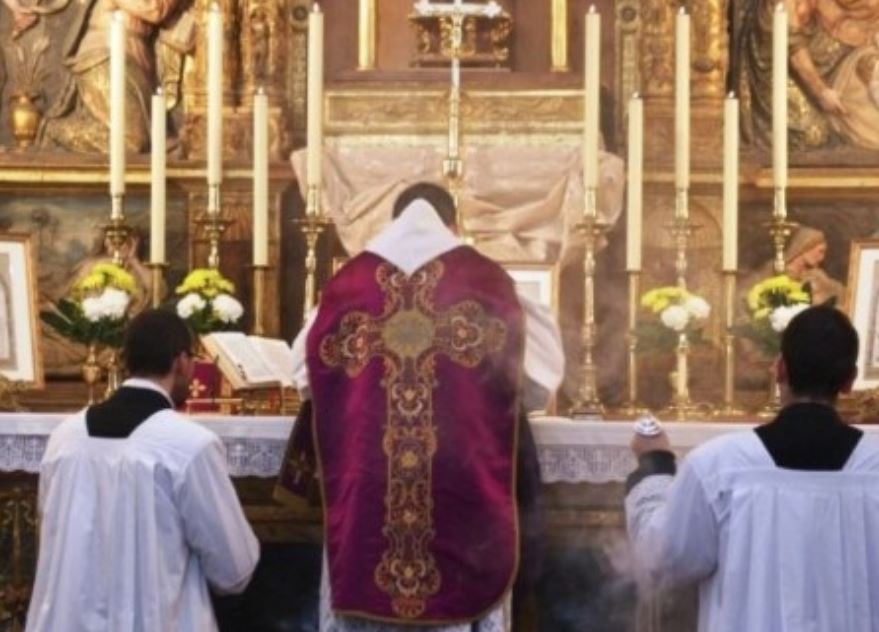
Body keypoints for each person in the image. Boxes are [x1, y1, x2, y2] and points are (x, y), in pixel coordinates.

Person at [276, 182, 565, 631]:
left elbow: (304, 377)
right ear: (454, 224)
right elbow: (538, 384)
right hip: (460, 488)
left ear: (391, 221)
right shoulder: (486, 283)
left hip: (370, 488)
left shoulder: (347, 288)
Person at [625, 306, 879, 631]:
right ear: (849, 381)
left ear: (780, 370)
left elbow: (664, 558)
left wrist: (654, 463)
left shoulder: (718, 465)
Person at [26, 309, 260, 632]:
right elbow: (234, 569)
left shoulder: (64, 438)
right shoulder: (189, 445)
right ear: (180, 360)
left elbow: (50, 539)